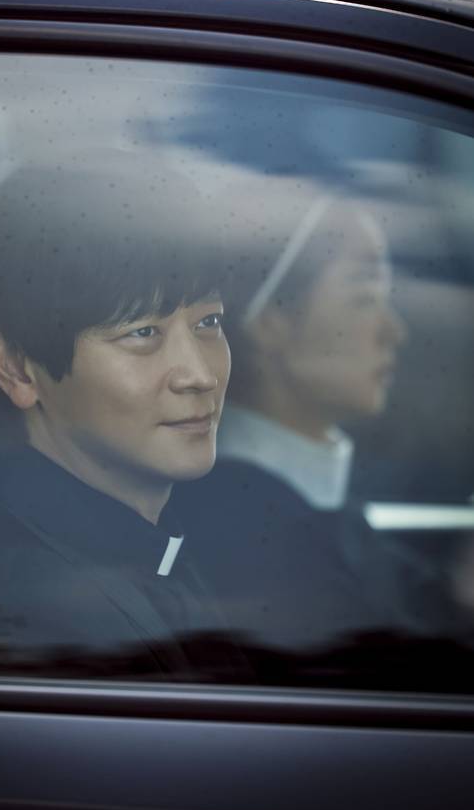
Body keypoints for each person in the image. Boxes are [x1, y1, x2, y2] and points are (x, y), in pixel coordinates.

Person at [0, 156, 234, 678]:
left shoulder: (140, 557)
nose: (200, 375)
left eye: (209, 322)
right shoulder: (40, 613)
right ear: (17, 365)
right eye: (142, 332)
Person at [173, 179, 453, 656]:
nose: (395, 331)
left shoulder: (306, 509)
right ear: (269, 324)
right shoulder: (253, 534)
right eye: (364, 299)